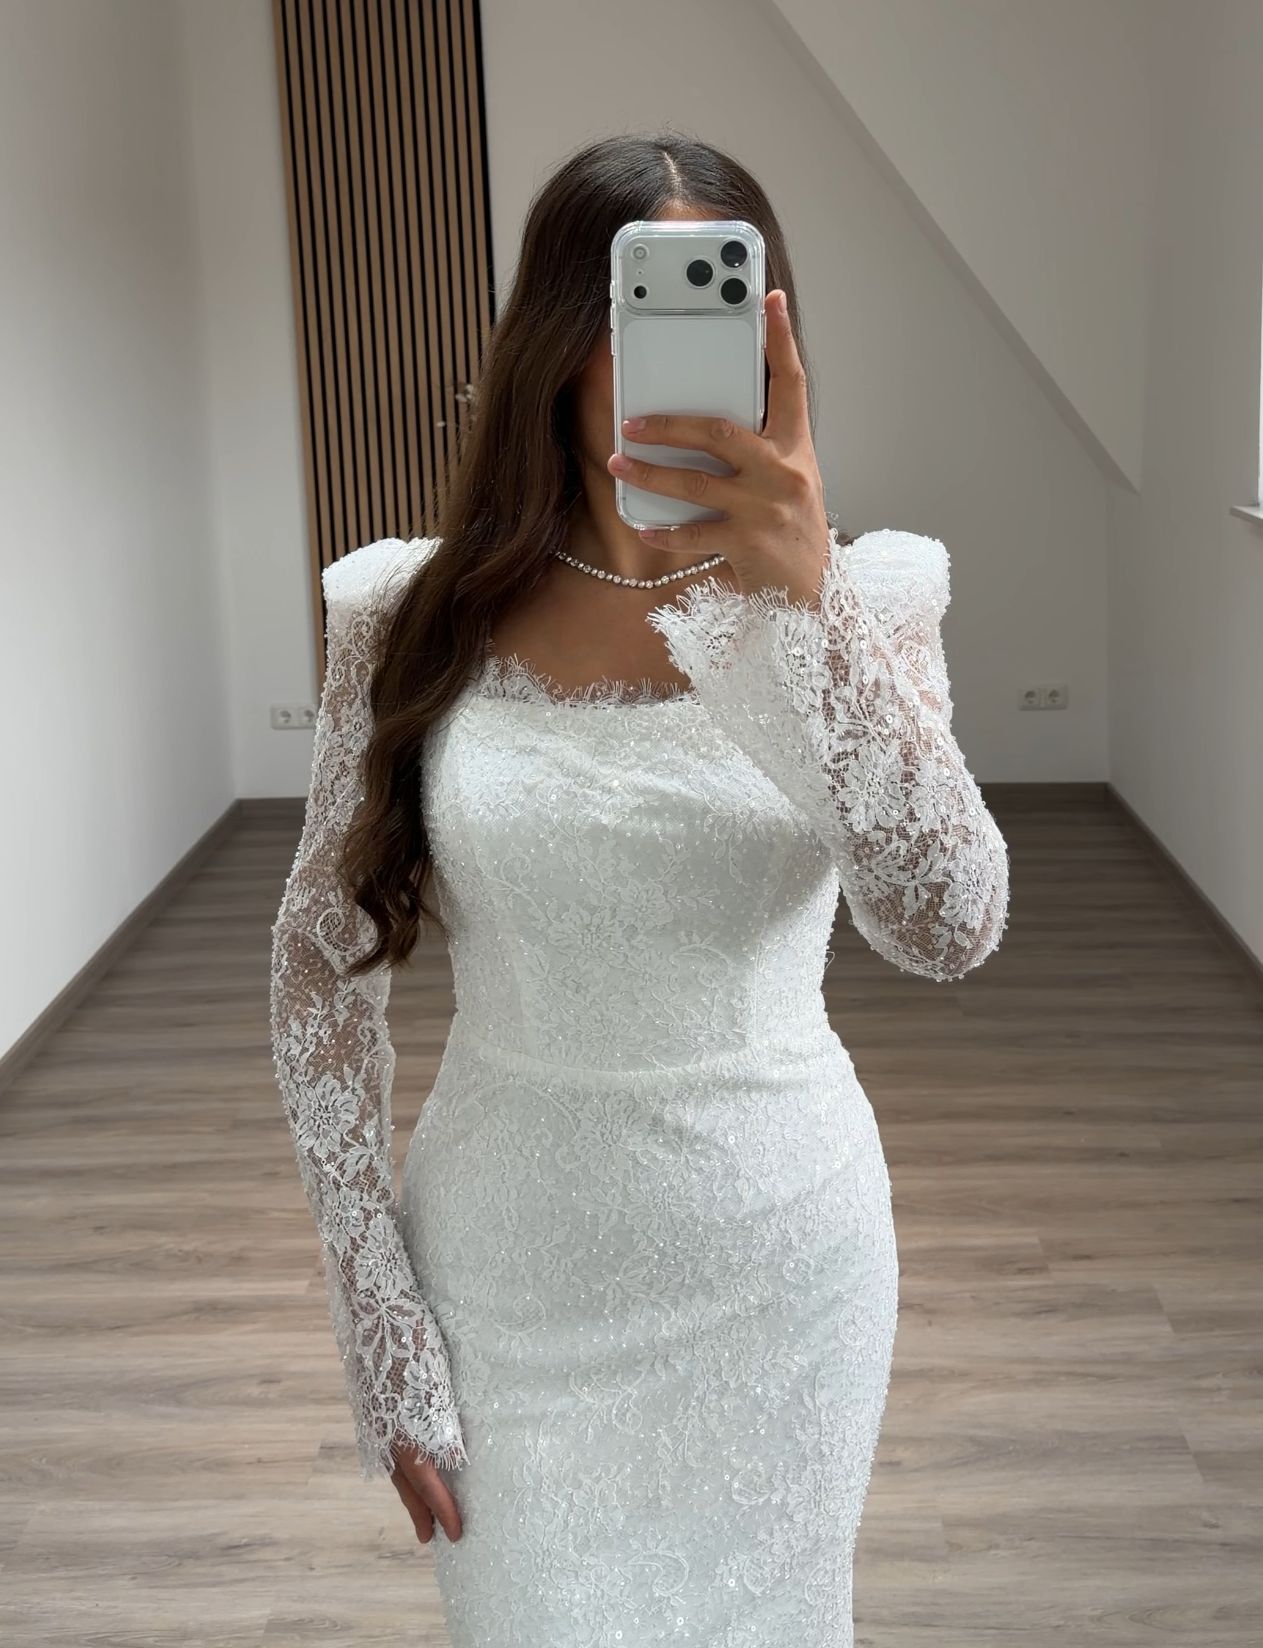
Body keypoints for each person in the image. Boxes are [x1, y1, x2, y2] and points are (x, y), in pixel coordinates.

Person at [268, 131, 1009, 1647]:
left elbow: (949, 925)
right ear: (556, 338)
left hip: (782, 1263)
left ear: (772, 337)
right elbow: (316, 963)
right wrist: (373, 1302)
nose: (672, 359)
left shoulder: (870, 603)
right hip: (508, 1277)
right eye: (635, 309)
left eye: (718, 304)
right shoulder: (406, 613)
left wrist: (807, 603)